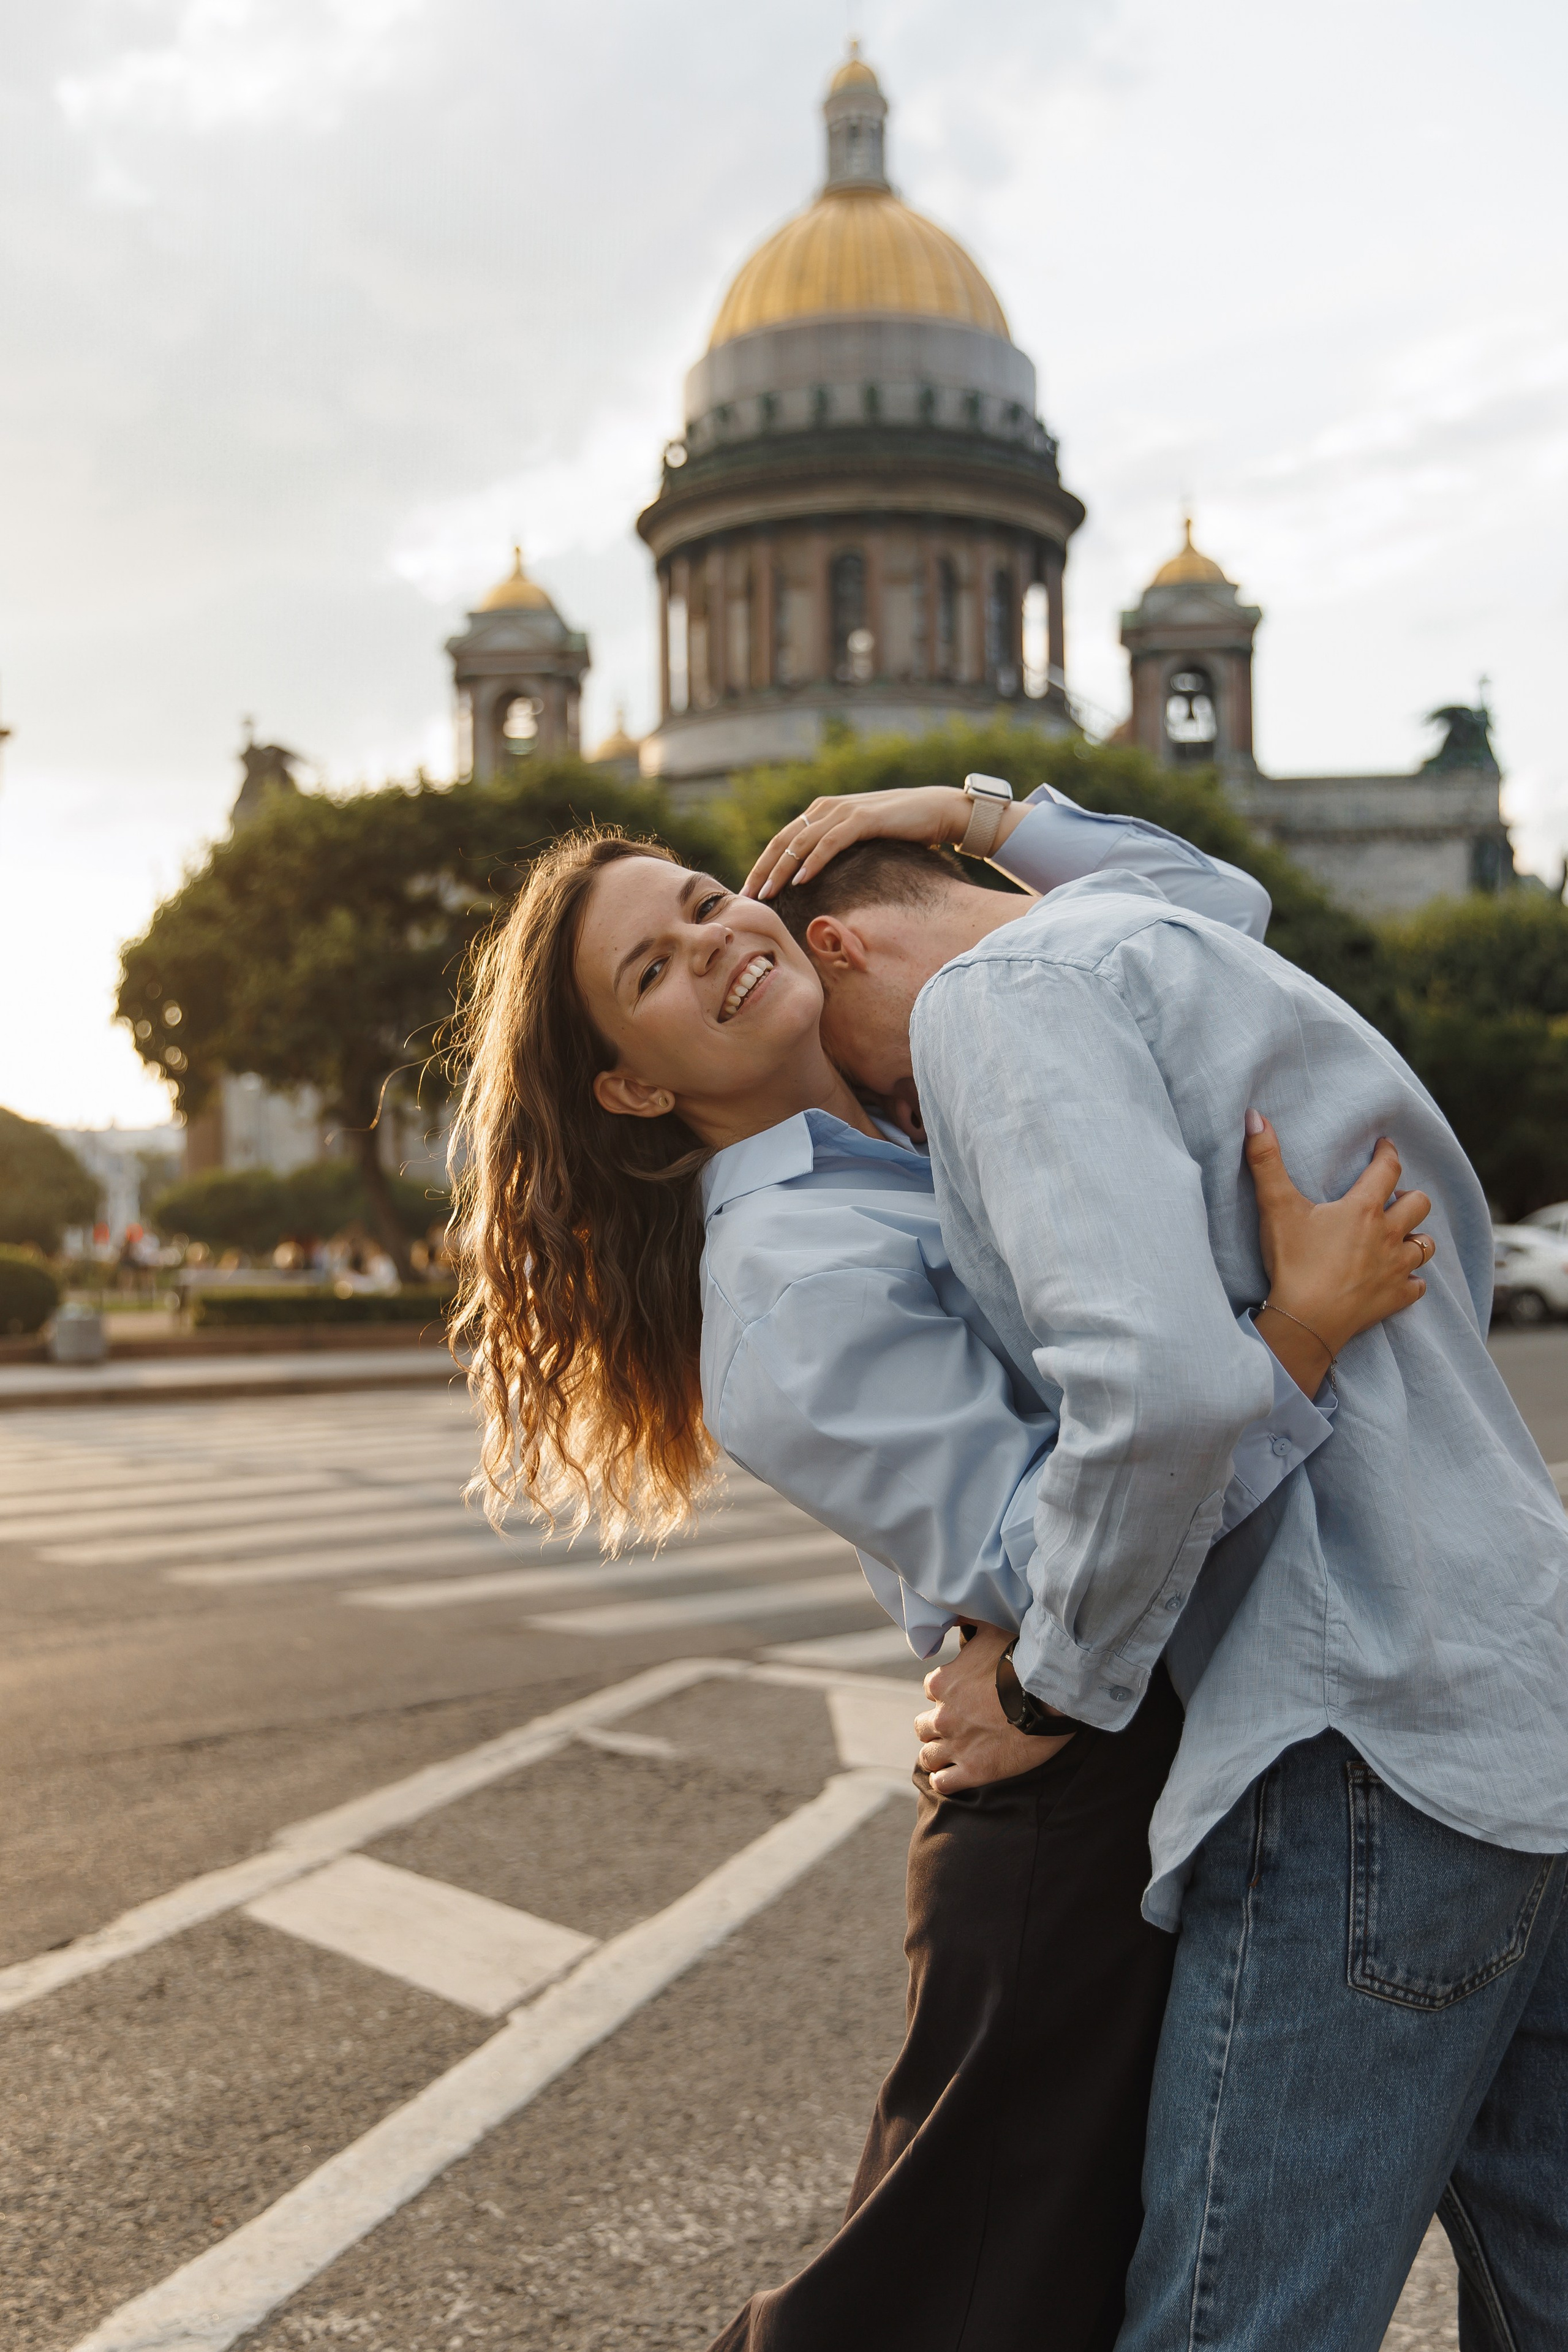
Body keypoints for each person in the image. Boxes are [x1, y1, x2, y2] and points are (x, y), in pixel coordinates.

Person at [449, 783, 1431, 2350]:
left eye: (705, 898)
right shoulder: (782, 1293)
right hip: (1064, 1798)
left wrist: (972, 813)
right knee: (957, 2307)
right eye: (651, 971)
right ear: (629, 1090)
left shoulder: (925, 1086)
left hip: (1163, 1729)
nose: (710, 945)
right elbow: (1059, 1546)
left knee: (1079, 2275)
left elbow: (1198, 914)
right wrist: (1295, 1335)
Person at [741, 778, 1568, 2352]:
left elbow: (1164, 1390)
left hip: (1354, 1727)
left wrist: (1049, 1679)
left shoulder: (994, 1003)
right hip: (1518, 1685)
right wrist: (982, 807)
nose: (900, 1127)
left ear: (837, 948)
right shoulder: (1169, 946)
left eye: (878, 1099)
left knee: (1230, 2323)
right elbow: (1212, 884)